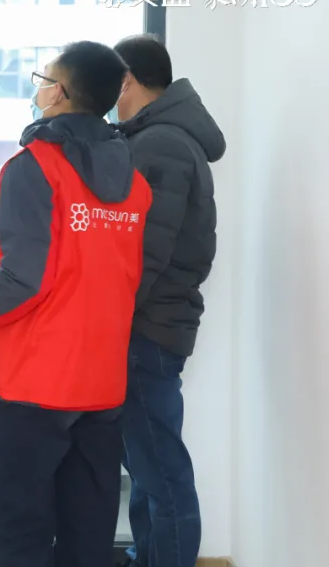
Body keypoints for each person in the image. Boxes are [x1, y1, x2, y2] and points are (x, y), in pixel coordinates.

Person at [0, 41, 153, 567]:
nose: (38, 88)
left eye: (44, 78)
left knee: (22, 529)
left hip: (37, 380)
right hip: (102, 379)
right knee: (90, 526)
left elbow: (21, 281)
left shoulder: (33, 166)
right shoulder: (133, 179)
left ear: (59, 93)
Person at [112, 34, 226, 567]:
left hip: (147, 329)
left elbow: (146, 252)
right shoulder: (163, 138)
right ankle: (148, 556)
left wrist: (110, 317)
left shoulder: (160, 144)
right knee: (149, 468)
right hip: (156, 326)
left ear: (127, 81)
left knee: (162, 474)